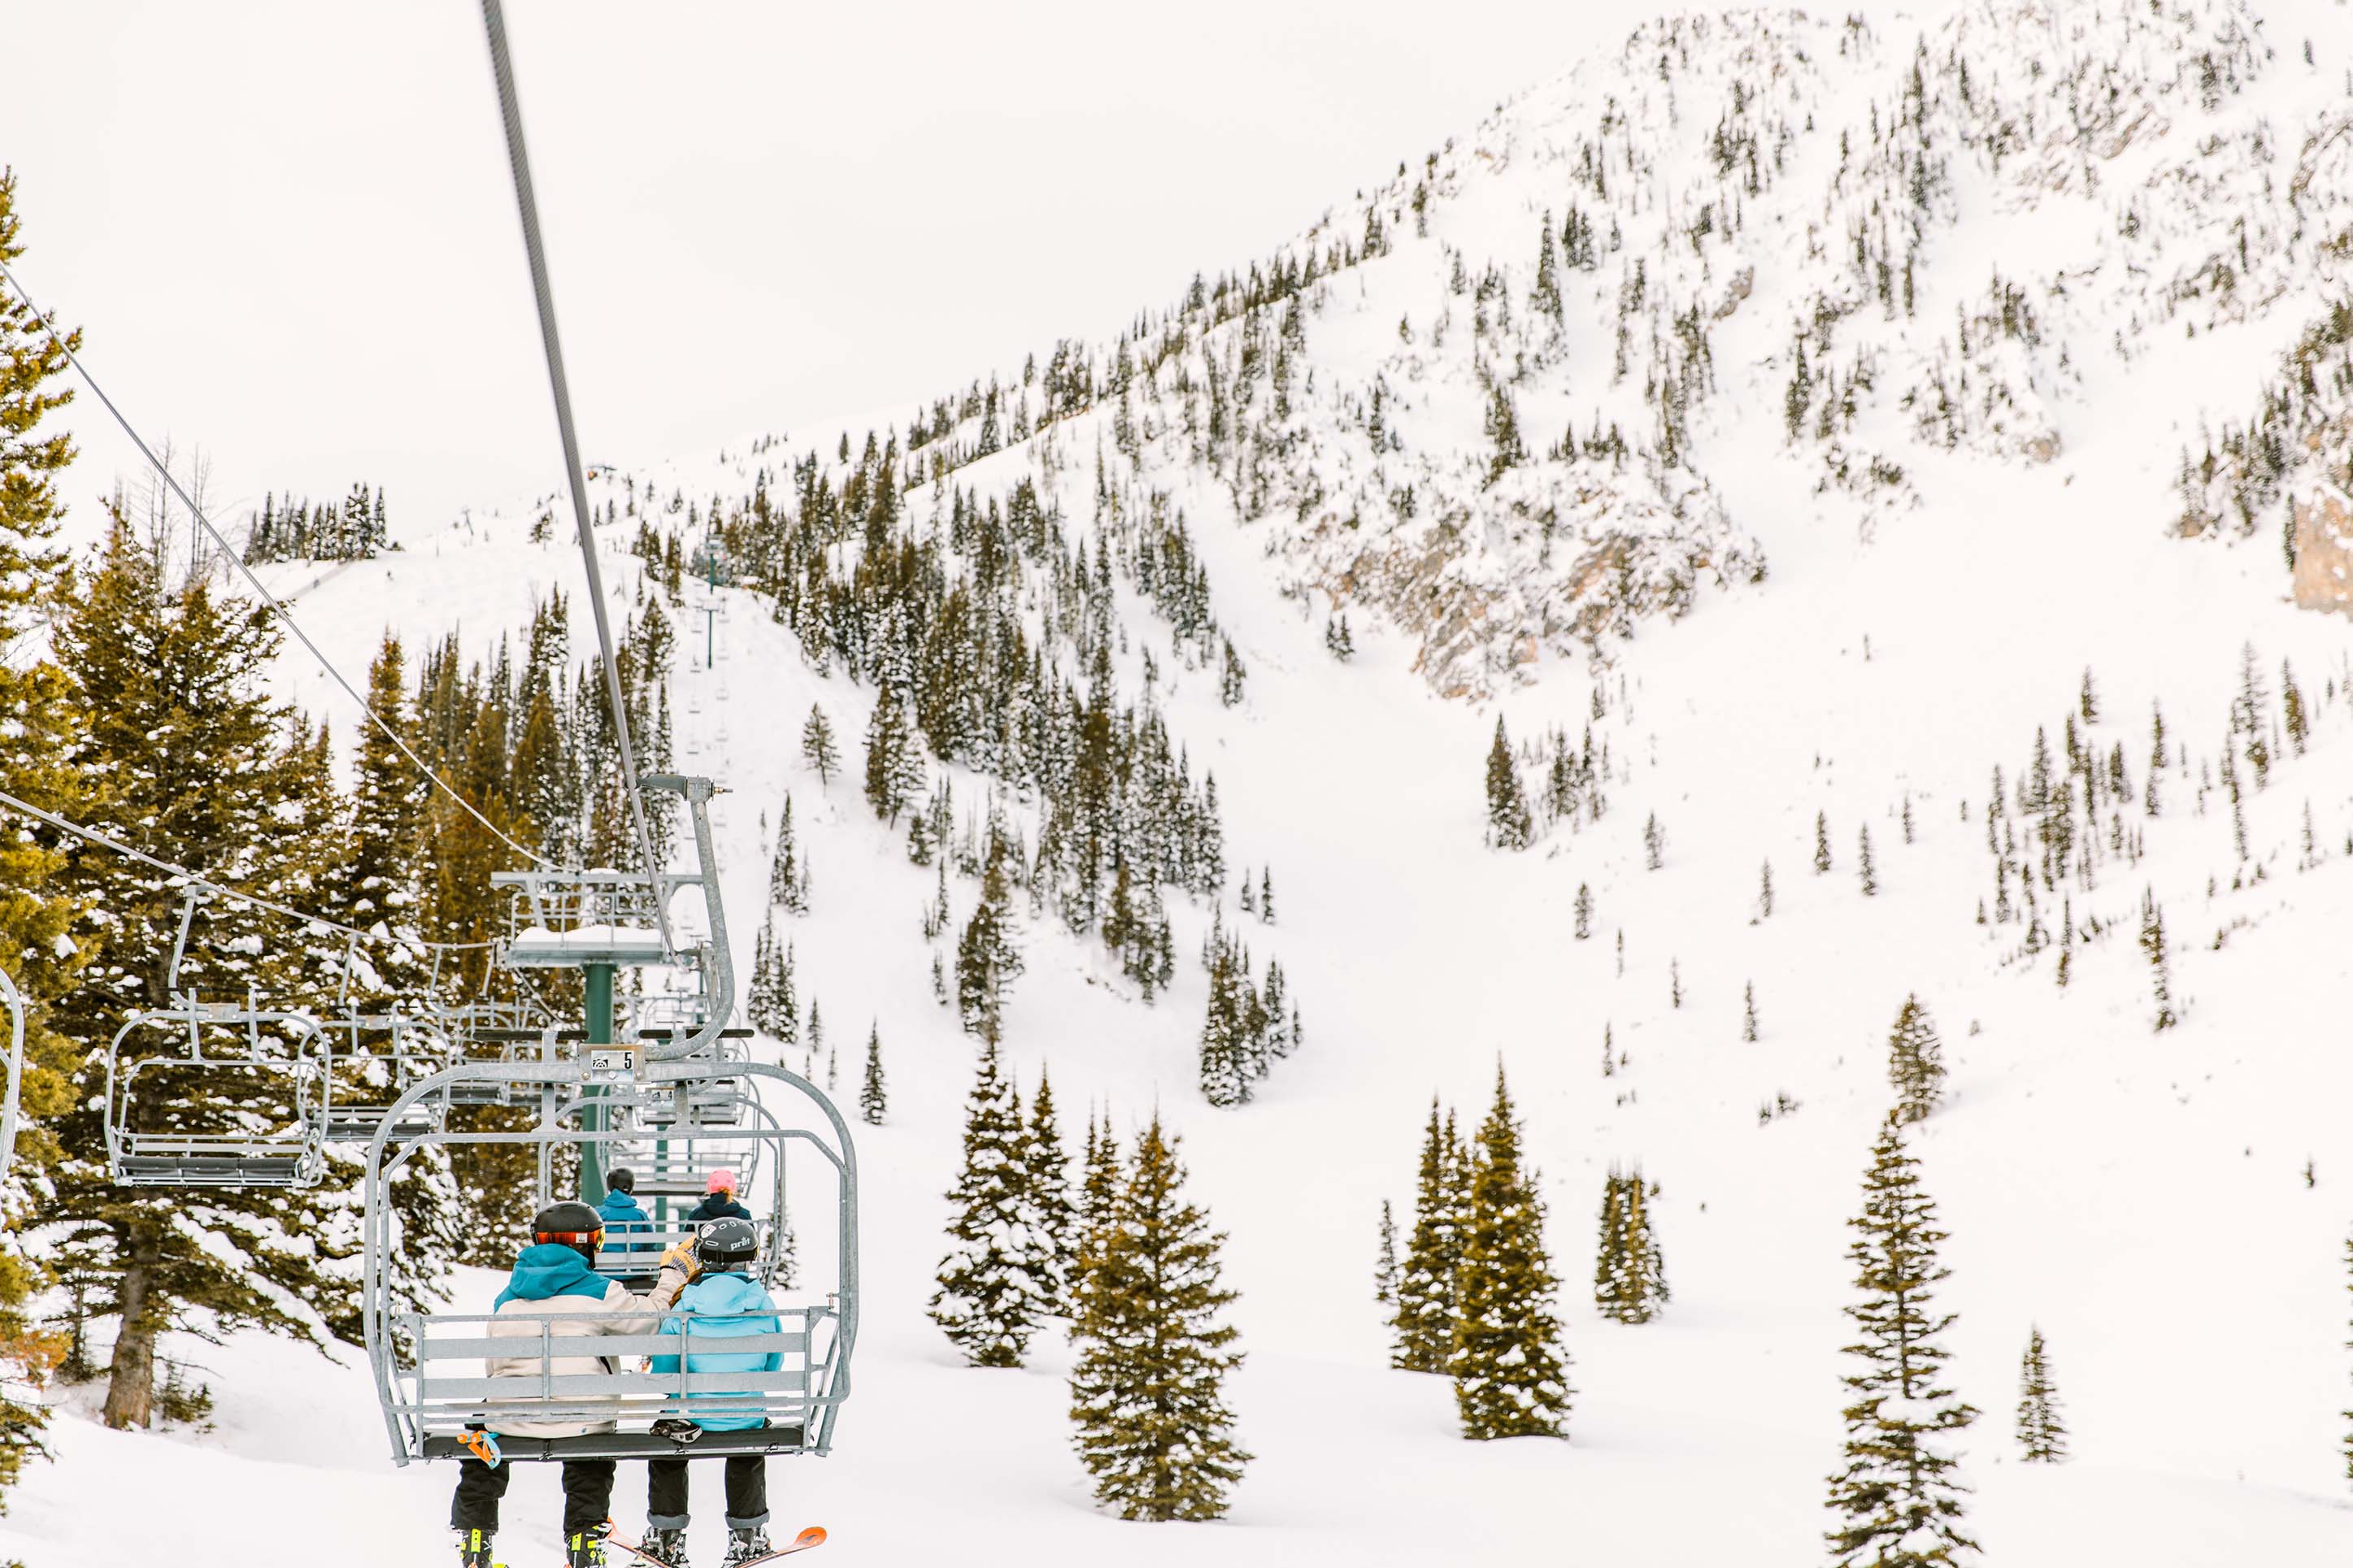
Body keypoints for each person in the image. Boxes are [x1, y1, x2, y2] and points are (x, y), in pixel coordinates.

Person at [452, 1200, 694, 1568]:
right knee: (591, 1456)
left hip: (509, 1418)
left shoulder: (507, 1297)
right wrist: (671, 1278)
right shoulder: (601, 1291)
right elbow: (649, 1323)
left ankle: (475, 1538)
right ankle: (584, 1541)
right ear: (587, 1244)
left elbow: (495, 1363)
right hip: (583, 1420)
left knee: (482, 1435)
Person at [637, 1217, 781, 1568]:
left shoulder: (685, 1306)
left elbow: (666, 1372)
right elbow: (772, 1365)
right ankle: (748, 1536)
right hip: (743, 1416)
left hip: (692, 1417)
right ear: (750, 1256)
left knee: (668, 1443)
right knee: (747, 1439)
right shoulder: (763, 1305)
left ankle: (666, 1536)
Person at [598, 1167, 657, 1265]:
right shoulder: (640, 1215)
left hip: (603, 1269)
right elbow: (649, 1245)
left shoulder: (598, 1213)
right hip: (635, 1269)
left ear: (610, 1186)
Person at [685, 1167, 752, 1223]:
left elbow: (688, 1237)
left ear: (709, 1188)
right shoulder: (744, 1215)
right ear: (733, 1188)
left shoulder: (697, 1214)